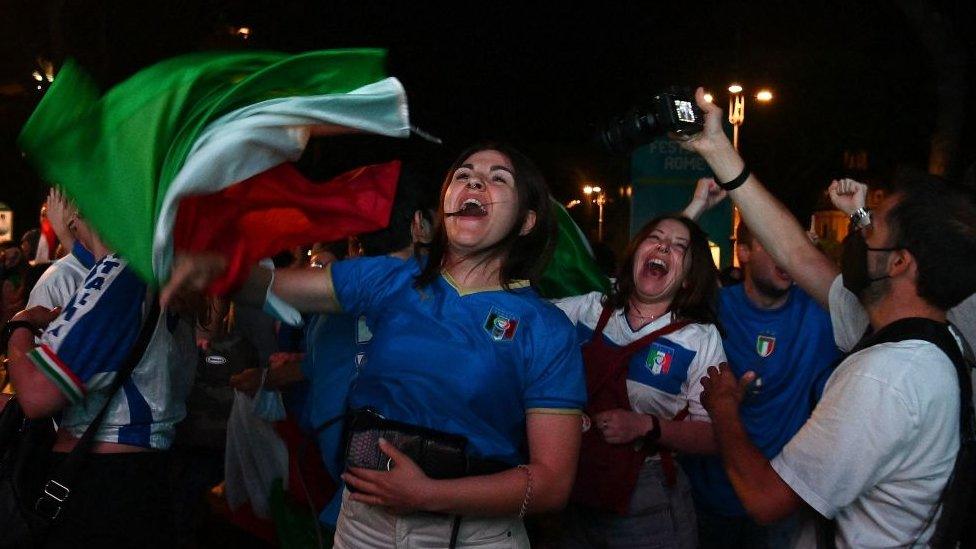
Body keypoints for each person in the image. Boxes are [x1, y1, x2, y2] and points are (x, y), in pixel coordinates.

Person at [162, 143, 586, 548]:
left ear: (528, 220)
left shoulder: (546, 329)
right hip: (365, 527)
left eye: (497, 178)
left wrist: (428, 495)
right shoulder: (392, 279)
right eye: (463, 175)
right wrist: (215, 267)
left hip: (472, 536)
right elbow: (272, 287)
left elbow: (551, 484)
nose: (474, 184)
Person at [679, 86, 976, 547]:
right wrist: (719, 150)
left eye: (868, 223)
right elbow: (795, 251)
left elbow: (765, 499)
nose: (855, 230)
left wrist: (723, 408)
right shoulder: (927, 339)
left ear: (900, 262)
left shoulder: (887, 377)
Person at [4, 205, 197, 546]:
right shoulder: (154, 270)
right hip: (149, 476)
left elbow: (36, 395)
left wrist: (19, 325)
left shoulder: (119, 273)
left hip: (108, 485)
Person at [552, 213, 726, 548]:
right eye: (655, 238)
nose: (663, 246)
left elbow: (714, 437)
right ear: (635, 256)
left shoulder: (699, 339)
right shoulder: (590, 309)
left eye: (678, 247)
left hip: (647, 502)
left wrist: (646, 426)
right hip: (573, 485)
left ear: (688, 278)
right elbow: (527, 320)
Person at [681, 181, 839, 547]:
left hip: (779, 504)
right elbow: (656, 273)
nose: (787, 256)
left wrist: (859, 215)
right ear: (745, 252)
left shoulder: (821, 315)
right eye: (772, 243)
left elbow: (872, 295)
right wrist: (698, 206)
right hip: (706, 499)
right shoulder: (713, 310)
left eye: (793, 243)